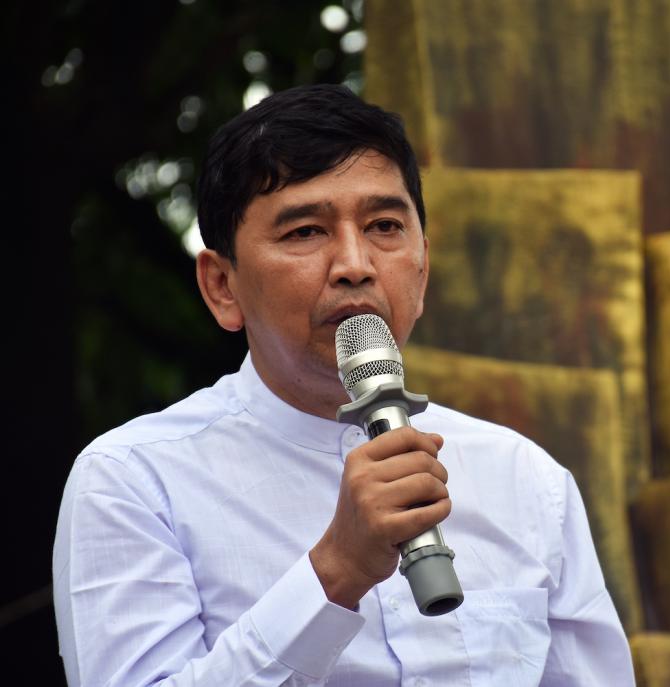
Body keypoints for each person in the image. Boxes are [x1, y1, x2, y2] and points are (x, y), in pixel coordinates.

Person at [53, 84, 634, 686]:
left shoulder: (526, 479)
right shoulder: (133, 480)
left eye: (384, 225)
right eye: (305, 231)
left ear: (423, 268)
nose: (355, 264)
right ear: (223, 286)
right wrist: (337, 570)